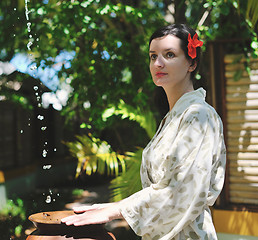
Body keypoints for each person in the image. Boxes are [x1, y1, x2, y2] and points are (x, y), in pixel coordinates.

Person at [61, 23, 226, 240]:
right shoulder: (173, 117)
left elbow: (181, 193)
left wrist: (115, 210)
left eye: (169, 54)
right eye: (152, 56)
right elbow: (163, 188)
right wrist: (113, 205)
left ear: (191, 63)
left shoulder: (199, 116)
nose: (158, 63)